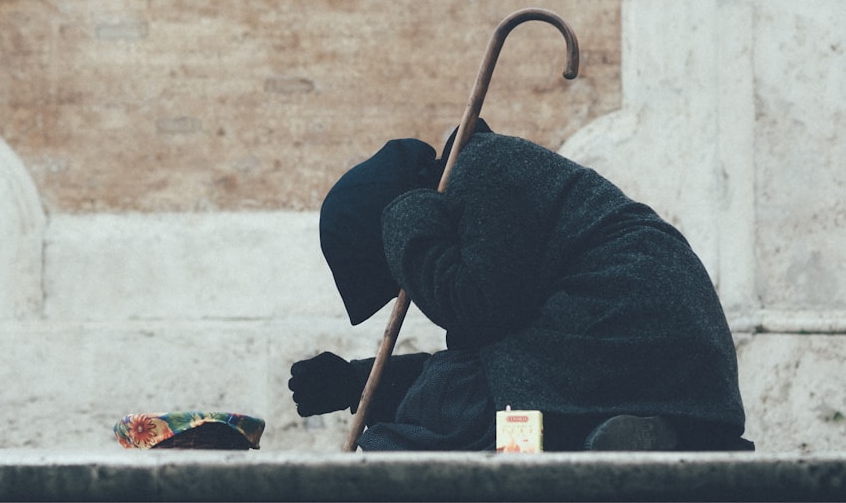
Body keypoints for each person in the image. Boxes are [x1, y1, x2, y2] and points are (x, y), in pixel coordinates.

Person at [288, 122, 753, 451]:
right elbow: (491, 354)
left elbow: (473, 313)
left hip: (629, 338)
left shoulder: (485, 168)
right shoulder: (490, 181)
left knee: (441, 411)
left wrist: (404, 219)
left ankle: (588, 435)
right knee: (475, 402)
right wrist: (357, 381)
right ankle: (598, 434)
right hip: (637, 363)